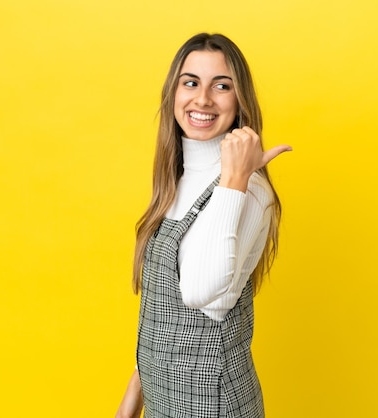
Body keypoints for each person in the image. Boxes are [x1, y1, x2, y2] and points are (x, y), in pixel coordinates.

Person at [116, 32, 291, 418]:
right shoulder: (174, 179)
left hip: (211, 404)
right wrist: (129, 404)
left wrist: (235, 178)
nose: (203, 99)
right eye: (190, 82)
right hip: (164, 401)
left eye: (222, 86)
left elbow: (197, 292)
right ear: (173, 93)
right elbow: (165, 318)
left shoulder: (250, 190)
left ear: (239, 99)